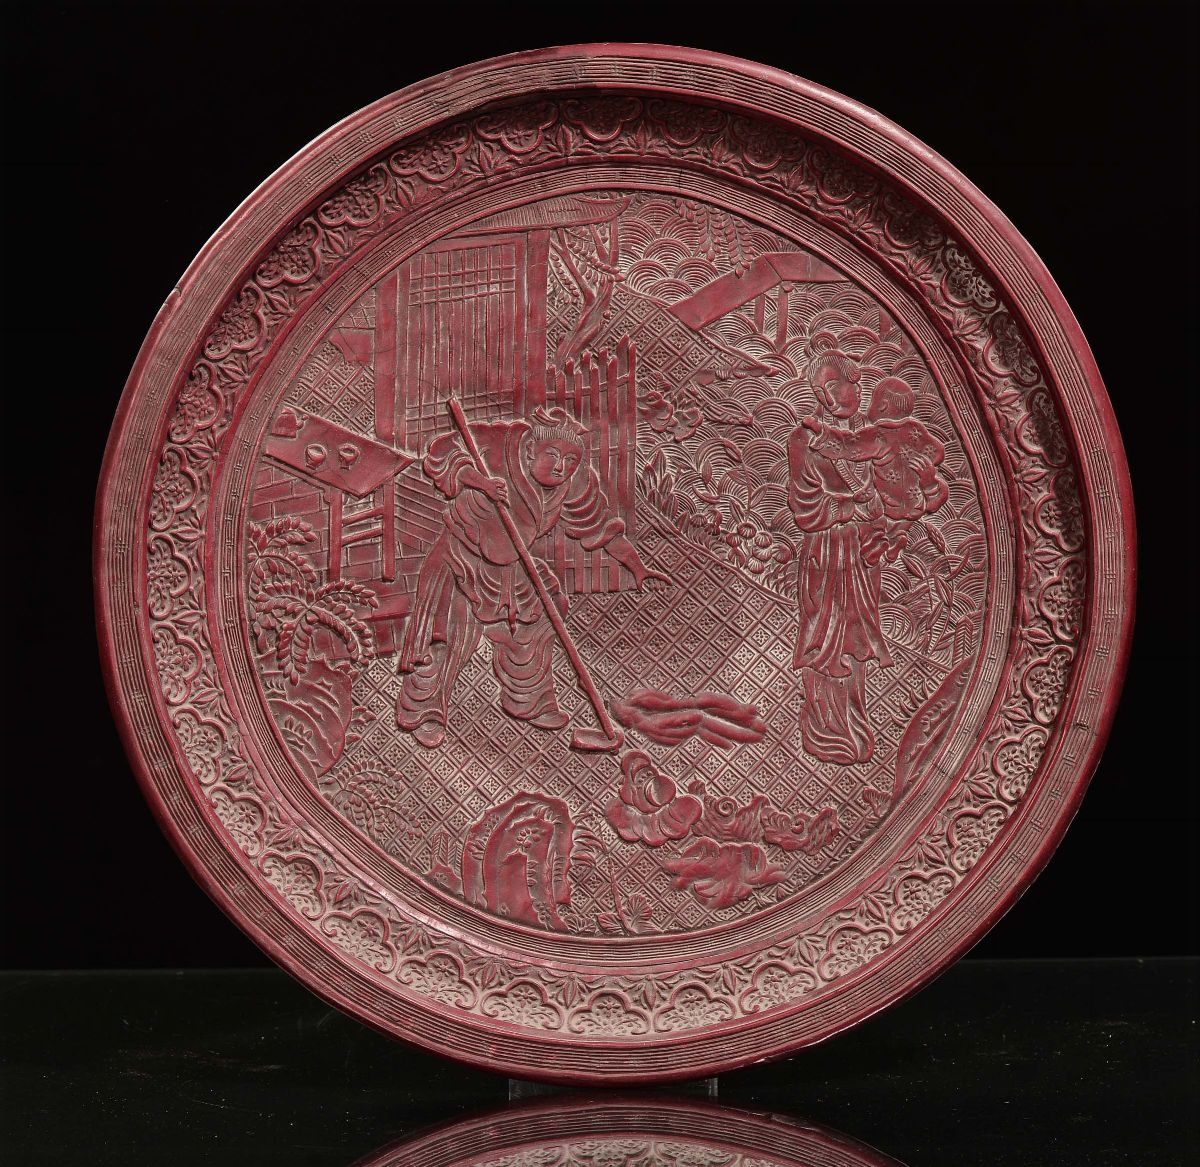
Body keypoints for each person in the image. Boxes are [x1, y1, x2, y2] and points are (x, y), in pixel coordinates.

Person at [397, 405, 667, 748]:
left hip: (512, 567)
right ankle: (425, 712)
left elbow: (599, 527)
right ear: (530, 450)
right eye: (552, 455)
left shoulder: (574, 483)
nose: (561, 467)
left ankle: (529, 700)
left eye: (570, 461)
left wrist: (638, 568)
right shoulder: (499, 443)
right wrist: (481, 482)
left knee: (541, 615)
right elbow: (440, 452)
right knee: (447, 635)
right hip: (460, 556)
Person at [787, 346, 891, 766]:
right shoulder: (803, 440)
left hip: (861, 555)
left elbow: (885, 494)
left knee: (856, 641)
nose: (855, 393)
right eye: (849, 385)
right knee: (825, 641)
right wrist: (851, 507)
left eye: (850, 386)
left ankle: (857, 726)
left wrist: (877, 523)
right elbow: (804, 508)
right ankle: (825, 731)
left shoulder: (867, 437)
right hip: (826, 554)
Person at [805, 376, 948, 559]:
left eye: (872, 402)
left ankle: (879, 540)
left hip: (890, 502)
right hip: (917, 500)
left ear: (882, 406)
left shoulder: (879, 435)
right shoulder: (916, 429)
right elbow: (938, 452)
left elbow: (849, 446)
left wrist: (821, 430)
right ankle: (898, 537)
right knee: (916, 506)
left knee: (873, 507)